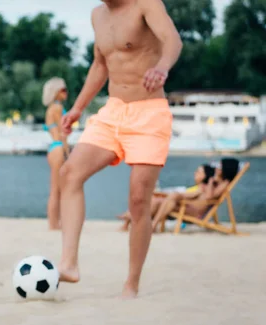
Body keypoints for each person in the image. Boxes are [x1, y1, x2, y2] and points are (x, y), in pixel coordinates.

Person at [58, 0, 183, 298]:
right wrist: (77, 109)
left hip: (149, 112)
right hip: (112, 112)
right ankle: (69, 263)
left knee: (139, 199)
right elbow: (100, 65)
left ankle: (132, 283)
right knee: (69, 173)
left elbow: (173, 40)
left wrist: (163, 67)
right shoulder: (97, 16)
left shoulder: (146, 4)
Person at [118, 163, 216, 231]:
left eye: (199, 172)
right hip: (182, 205)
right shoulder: (197, 187)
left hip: (189, 210)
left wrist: (172, 195)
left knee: (159, 200)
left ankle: (135, 218)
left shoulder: (204, 188)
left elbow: (186, 196)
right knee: (156, 199)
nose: (195, 173)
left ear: (206, 176)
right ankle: (133, 220)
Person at [151, 158, 240, 230]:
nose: (217, 168)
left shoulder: (224, 184)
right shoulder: (216, 183)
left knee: (169, 198)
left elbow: (209, 197)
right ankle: (151, 224)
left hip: (195, 212)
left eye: (219, 166)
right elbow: (200, 194)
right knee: (162, 200)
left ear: (226, 168)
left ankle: (153, 225)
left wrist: (211, 181)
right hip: (190, 205)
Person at [42, 77, 70, 230]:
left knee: (55, 188)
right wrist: (67, 153)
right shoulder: (57, 109)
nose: (66, 93)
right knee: (57, 189)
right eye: (63, 90)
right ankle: (54, 223)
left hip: (53, 147)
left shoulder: (50, 109)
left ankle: (53, 222)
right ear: (55, 92)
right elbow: (62, 134)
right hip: (59, 147)